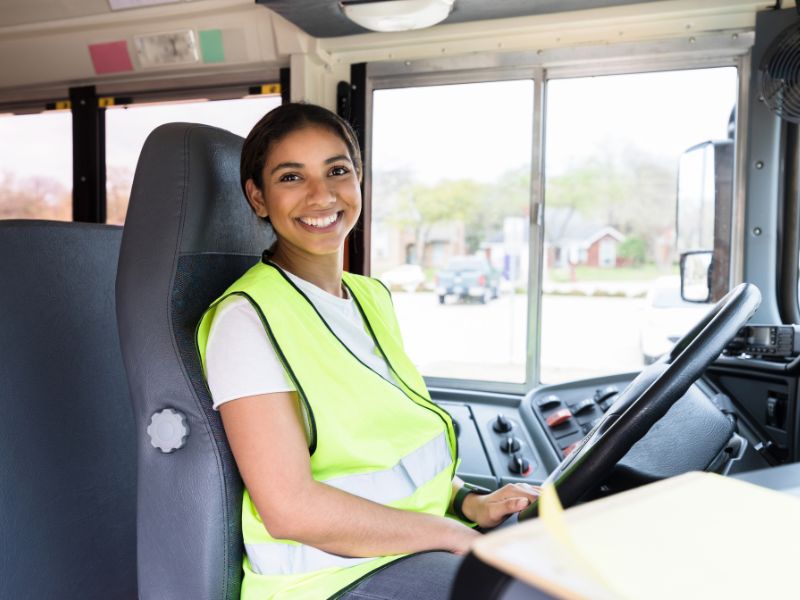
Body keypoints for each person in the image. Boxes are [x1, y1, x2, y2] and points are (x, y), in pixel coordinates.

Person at [196, 103, 539, 600]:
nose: (321, 195)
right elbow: (289, 507)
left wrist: (467, 503)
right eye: (291, 177)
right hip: (324, 581)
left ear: (359, 180)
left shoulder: (370, 297)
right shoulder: (245, 319)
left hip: (401, 551)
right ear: (258, 198)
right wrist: (451, 535)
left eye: (337, 170)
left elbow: (389, 449)